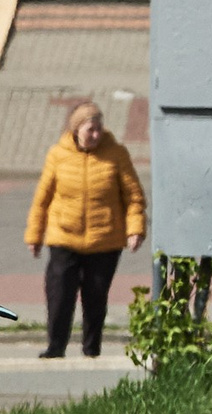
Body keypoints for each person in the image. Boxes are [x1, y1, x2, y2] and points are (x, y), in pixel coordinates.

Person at [25, 100, 147, 359]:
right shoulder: (58, 154)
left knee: (95, 297)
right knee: (59, 295)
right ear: (76, 129)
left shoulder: (116, 154)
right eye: (90, 129)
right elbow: (42, 199)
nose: (95, 135)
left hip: (104, 240)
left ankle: (91, 349)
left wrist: (135, 229)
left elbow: (134, 196)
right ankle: (55, 346)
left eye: (98, 129)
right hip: (63, 237)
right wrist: (34, 235)